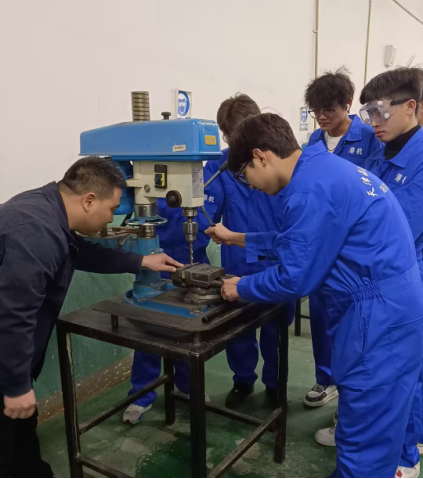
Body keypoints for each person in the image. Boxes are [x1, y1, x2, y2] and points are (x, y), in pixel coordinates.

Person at [206, 113, 423, 478]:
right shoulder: (322, 169)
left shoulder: (307, 191)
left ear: (261, 156)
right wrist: (237, 238)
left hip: (376, 318)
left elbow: (294, 278)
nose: (250, 185)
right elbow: (304, 241)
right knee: (386, 417)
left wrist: (239, 287)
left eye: (245, 175)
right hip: (395, 308)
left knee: (363, 439)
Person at [0, 156, 182, 479]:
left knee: (22, 435)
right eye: (111, 209)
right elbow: (13, 314)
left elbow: (80, 251)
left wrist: (141, 262)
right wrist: (15, 386)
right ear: (88, 200)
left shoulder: (48, 209)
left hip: (11, 360)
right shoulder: (36, 232)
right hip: (5, 358)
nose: (113, 217)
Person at [123, 94, 292, 425]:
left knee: (276, 335)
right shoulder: (218, 168)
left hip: (278, 265)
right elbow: (201, 214)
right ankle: (242, 382)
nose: (237, 146)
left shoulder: (283, 167)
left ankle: (275, 387)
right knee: (237, 334)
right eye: (231, 138)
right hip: (237, 266)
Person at [357, 67, 423, 479]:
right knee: (387, 373)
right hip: (381, 283)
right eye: (367, 113)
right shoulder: (383, 154)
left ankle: (404, 458)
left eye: (380, 111)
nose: (373, 122)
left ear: (411, 106)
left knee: (405, 375)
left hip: (408, 282)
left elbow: (396, 231)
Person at [304, 69, 383, 409]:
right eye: (316, 111)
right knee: (320, 315)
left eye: (330, 110)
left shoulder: (369, 137)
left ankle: (352, 387)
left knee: (353, 321)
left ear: (348, 105)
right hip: (321, 243)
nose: (322, 118)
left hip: (352, 246)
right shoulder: (314, 141)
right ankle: (326, 380)